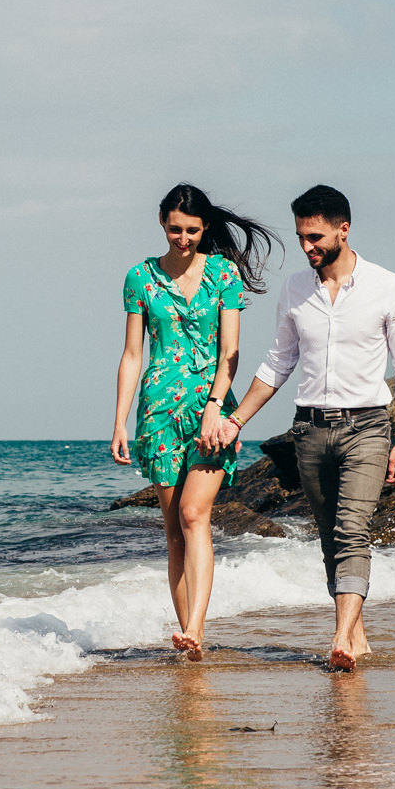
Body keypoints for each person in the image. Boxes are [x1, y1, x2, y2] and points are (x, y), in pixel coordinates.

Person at [217, 184, 395, 671]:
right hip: (308, 431)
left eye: (315, 237)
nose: (307, 247)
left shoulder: (387, 286)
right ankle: (357, 634)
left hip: (368, 428)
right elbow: (277, 364)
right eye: (301, 237)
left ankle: (340, 639)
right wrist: (236, 419)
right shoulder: (295, 288)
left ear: (342, 230)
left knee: (353, 531)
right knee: (331, 537)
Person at [112, 183, 277, 661]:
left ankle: (196, 629)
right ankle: (188, 639)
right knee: (172, 529)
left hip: (210, 413)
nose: (182, 238)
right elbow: (130, 354)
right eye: (174, 229)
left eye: (192, 230)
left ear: (205, 229)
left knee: (193, 514)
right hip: (159, 413)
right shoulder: (139, 278)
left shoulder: (224, 274)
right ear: (162, 224)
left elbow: (231, 352)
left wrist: (214, 406)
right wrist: (120, 422)